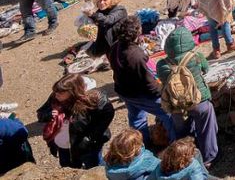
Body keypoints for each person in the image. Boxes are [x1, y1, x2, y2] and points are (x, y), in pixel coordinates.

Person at [108, 17, 174, 147]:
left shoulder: (115, 46)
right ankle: (174, 145)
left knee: (136, 118)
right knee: (168, 115)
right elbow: (148, 83)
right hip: (141, 94)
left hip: (124, 91)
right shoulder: (135, 55)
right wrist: (162, 90)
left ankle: (144, 145)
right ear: (136, 32)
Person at [156, 27, 218, 166]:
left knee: (182, 133)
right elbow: (206, 69)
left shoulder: (161, 65)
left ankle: (185, 159)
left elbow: (162, 79)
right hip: (199, 101)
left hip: (176, 104)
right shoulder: (196, 56)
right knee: (206, 129)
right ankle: (209, 158)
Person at [37, 74, 114, 169]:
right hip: (63, 143)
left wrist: (91, 138)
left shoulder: (92, 100)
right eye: (55, 92)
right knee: (68, 168)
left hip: (86, 145)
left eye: (60, 93)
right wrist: (49, 115)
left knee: (94, 166)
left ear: (72, 92)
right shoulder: (56, 97)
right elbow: (41, 114)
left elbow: (107, 115)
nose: (55, 95)